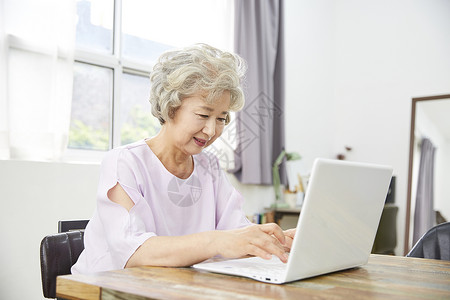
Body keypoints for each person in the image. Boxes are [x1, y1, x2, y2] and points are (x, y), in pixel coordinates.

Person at [72, 44, 295, 274]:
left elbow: (235, 232)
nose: (211, 130)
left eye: (221, 118)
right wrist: (216, 241)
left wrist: (275, 241)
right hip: (104, 290)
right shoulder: (124, 163)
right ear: (171, 107)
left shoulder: (209, 166)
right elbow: (133, 253)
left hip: (169, 287)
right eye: (203, 115)